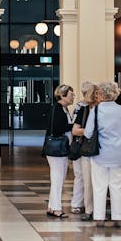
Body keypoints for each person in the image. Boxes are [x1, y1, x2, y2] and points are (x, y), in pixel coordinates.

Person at [84, 81, 121, 228]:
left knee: (99, 186)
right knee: (117, 186)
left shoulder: (96, 110)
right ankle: (118, 217)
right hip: (119, 154)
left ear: (101, 94)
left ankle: (99, 217)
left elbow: (87, 133)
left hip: (100, 154)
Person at [45, 84, 74, 218]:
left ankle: (51, 207)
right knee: (58, 178)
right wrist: (73, 126)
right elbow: (57, 128)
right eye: (70, 94)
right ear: (62, 95)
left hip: (59, 149)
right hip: (57, 149)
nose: (73, 96)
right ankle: (57, 208)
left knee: (58, 178)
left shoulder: (63, 109)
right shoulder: (58, 109)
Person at [71, 81, 97, 221]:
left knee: (93, 179)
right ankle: (86, 207)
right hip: (85, 148)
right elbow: (75, 130)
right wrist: (89, 132)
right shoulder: (83, 109)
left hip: (99, 150)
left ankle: (93, 207)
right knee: (83, 177)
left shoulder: (102, 110)